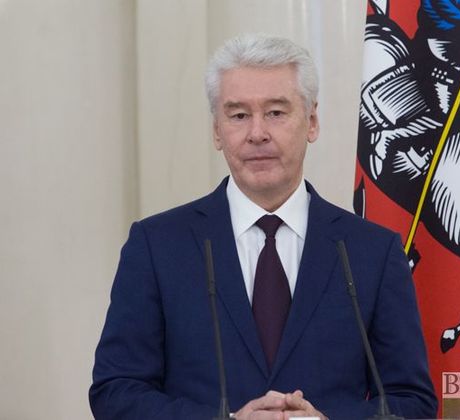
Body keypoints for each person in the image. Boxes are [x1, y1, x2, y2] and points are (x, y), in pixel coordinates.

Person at [90, 34, 437, 420]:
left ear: (312, 122)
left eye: (275, 112)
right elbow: (115, 392)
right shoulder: (158, 246)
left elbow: (413, 402)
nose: (257, 133)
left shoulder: (372, 251)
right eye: (239, 115)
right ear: (217, 130)